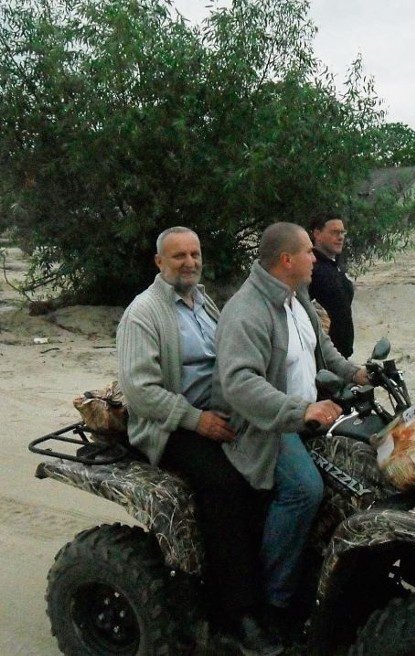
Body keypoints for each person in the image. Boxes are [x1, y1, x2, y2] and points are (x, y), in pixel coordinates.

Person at [116, 226, 283, 656]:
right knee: (229, 486)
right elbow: (139, 390)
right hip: (171, 425)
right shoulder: (144, 313)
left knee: (276, 470)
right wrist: (196, 420)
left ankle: (277, 588)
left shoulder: (202, 301)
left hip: (220, 414)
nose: (189, 262)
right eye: (178, 256)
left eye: (194, 254)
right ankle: (235, 614)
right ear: (159, 263)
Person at [212, 222, 369, 641]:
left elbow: (323, 348)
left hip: (303, 414)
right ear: (286, 260)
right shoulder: (247, 311)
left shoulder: (295, 295)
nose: (315, 258)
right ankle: (275, 601)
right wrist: (301, 410)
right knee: (305, 489)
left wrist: (356, 372)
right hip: (263, 424)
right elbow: (240, 384)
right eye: (308, 252)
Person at [308, 211, 355, 357]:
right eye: (334, 232)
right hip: (321, 356)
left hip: (341, 357)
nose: (340, 237)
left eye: (342, 232)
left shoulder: (335, 267)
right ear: (317, 234)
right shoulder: (309, 268)